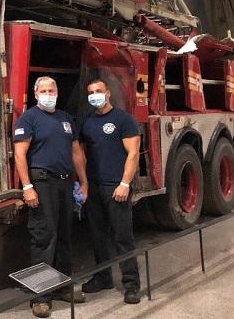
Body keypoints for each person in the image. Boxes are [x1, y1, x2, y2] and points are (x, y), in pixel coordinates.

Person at [13, 76, 89, 318]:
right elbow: (20, 154)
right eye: (43, 90)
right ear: (36, 94)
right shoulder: (29, 118)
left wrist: (83, 182)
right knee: (45, 238)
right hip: (42, 183)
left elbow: (76, 152)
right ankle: (41, 297)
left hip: (65, 183)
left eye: (51, 90)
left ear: (57, 92)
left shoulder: (65, 119)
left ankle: (63, 287)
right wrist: (27, 186)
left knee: (65, 236)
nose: (48, 94)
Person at [79, 78, 142, 304]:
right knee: (97, 237)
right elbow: (82, 154)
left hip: (116, 188)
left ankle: (131, 285)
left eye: (98, 91)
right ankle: (102, 277)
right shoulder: (87, 122)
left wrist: (125, 183)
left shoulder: (123, 120)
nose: (94, 95)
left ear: (108, 94)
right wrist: (84, 183)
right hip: (95, 188)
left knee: (122, 238)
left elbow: (133, 154)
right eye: (90, 92)